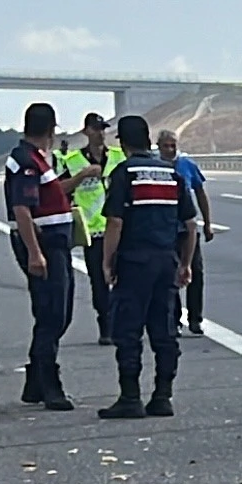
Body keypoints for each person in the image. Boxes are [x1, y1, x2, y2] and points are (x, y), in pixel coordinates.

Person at [94, 113, 190, 419]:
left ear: (121, 143)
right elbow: (189, 224)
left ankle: (130, 397)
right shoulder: (171, 173)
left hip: (135, 261)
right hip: (166, 260)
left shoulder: (125, 173)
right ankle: (163, 396)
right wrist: (185, 263)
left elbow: (115, 222)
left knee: (128, 330)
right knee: (164, 330)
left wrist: (107, 262)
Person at [1, 101, 78, 411]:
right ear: (51, 128)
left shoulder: (41, 160)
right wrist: (35, 253)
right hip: (43, 245)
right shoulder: (25, 161)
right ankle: (49, 383)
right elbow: (22, 208)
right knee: (51, 313)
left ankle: (35, 380)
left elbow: (52, 194)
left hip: (57, 244)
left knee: (60, 312)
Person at [63, 111, 120, 344]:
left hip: (118, 228)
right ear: (86, 131)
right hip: (93, 231)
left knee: (122, 278)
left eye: (103, 129)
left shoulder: (118, 156)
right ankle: (105, 326)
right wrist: (83, 175)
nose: (100, 134)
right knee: (99, 280)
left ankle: (120, 323)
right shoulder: (73, 161)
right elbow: (60, 190)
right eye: (96, 129)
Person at [164, 133, 215, 336]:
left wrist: (208, 223)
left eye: (173, 145)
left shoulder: (187, 165)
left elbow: (200, 193)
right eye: (166, 146)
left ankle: (195, 318)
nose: (170, 149)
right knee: (169, 275)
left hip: (187, 230)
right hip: (166, 230)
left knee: (196, 272)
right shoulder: (156, 167)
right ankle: (173, 319)